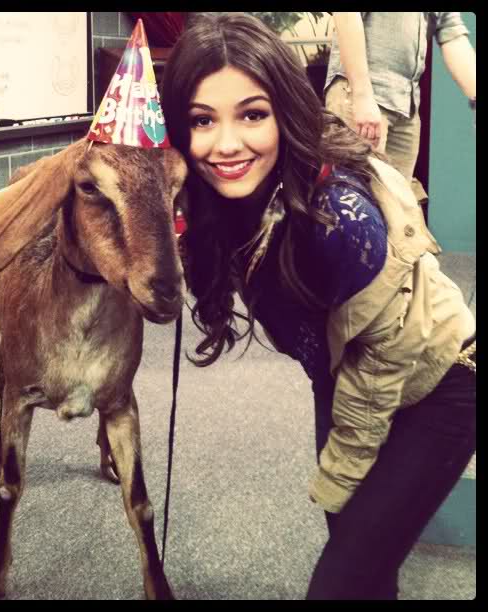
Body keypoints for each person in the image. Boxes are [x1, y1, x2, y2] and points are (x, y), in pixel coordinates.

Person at [161, 12, 476, 600]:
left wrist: (341, 473)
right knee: (364, 567)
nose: (226, 144)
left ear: (284, 111)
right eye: (202, 120)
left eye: (252, 114)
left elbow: (384, 361)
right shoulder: (223, 196)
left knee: (341, 579)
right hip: (342, 369)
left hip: (440, 382)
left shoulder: (339, 218)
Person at [324, 12, 476, 202]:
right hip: (362, 96)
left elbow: (452, 34)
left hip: (405, 106)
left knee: (397, 209)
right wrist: (361, 95)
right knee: (355, 202)